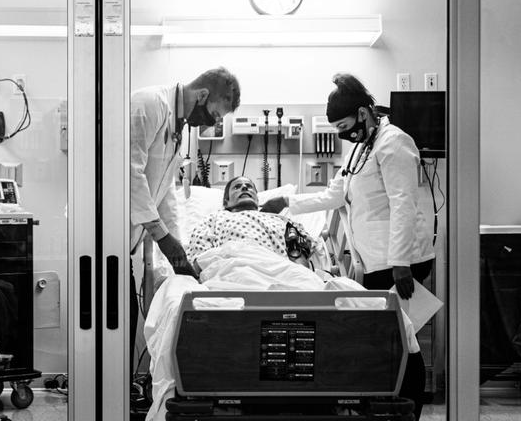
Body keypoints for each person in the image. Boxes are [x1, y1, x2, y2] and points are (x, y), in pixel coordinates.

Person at [261, 72, 434, 418]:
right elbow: (334, 195)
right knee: (387, 339)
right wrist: (287, 202)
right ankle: (389, 406)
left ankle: (410, 408)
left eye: (344, 125)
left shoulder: (394, 143)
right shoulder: (360, 149)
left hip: (400, 262)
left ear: (363, 113)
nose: (342, 133)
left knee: (404, 339)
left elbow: (403, 204)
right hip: (374, 262)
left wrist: (401, 263)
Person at [130, 67, 241, 277]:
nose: (212, 123)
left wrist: (177, 251)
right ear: (202, 95)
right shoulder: (150, 104)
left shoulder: (176, 128)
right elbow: (129, 176)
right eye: (214, 115)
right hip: (99, 239)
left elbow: (165, 190)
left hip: (121, 245)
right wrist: (163, 238)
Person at [185, 176, 329, 273]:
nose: (244, 188)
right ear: (226, 202)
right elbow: (199, 259)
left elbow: (300, 259)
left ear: (257, 199)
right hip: (231, 272)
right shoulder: (214, 219)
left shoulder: (283, 221)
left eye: (249, 186)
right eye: (237, 187)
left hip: (280, 273)